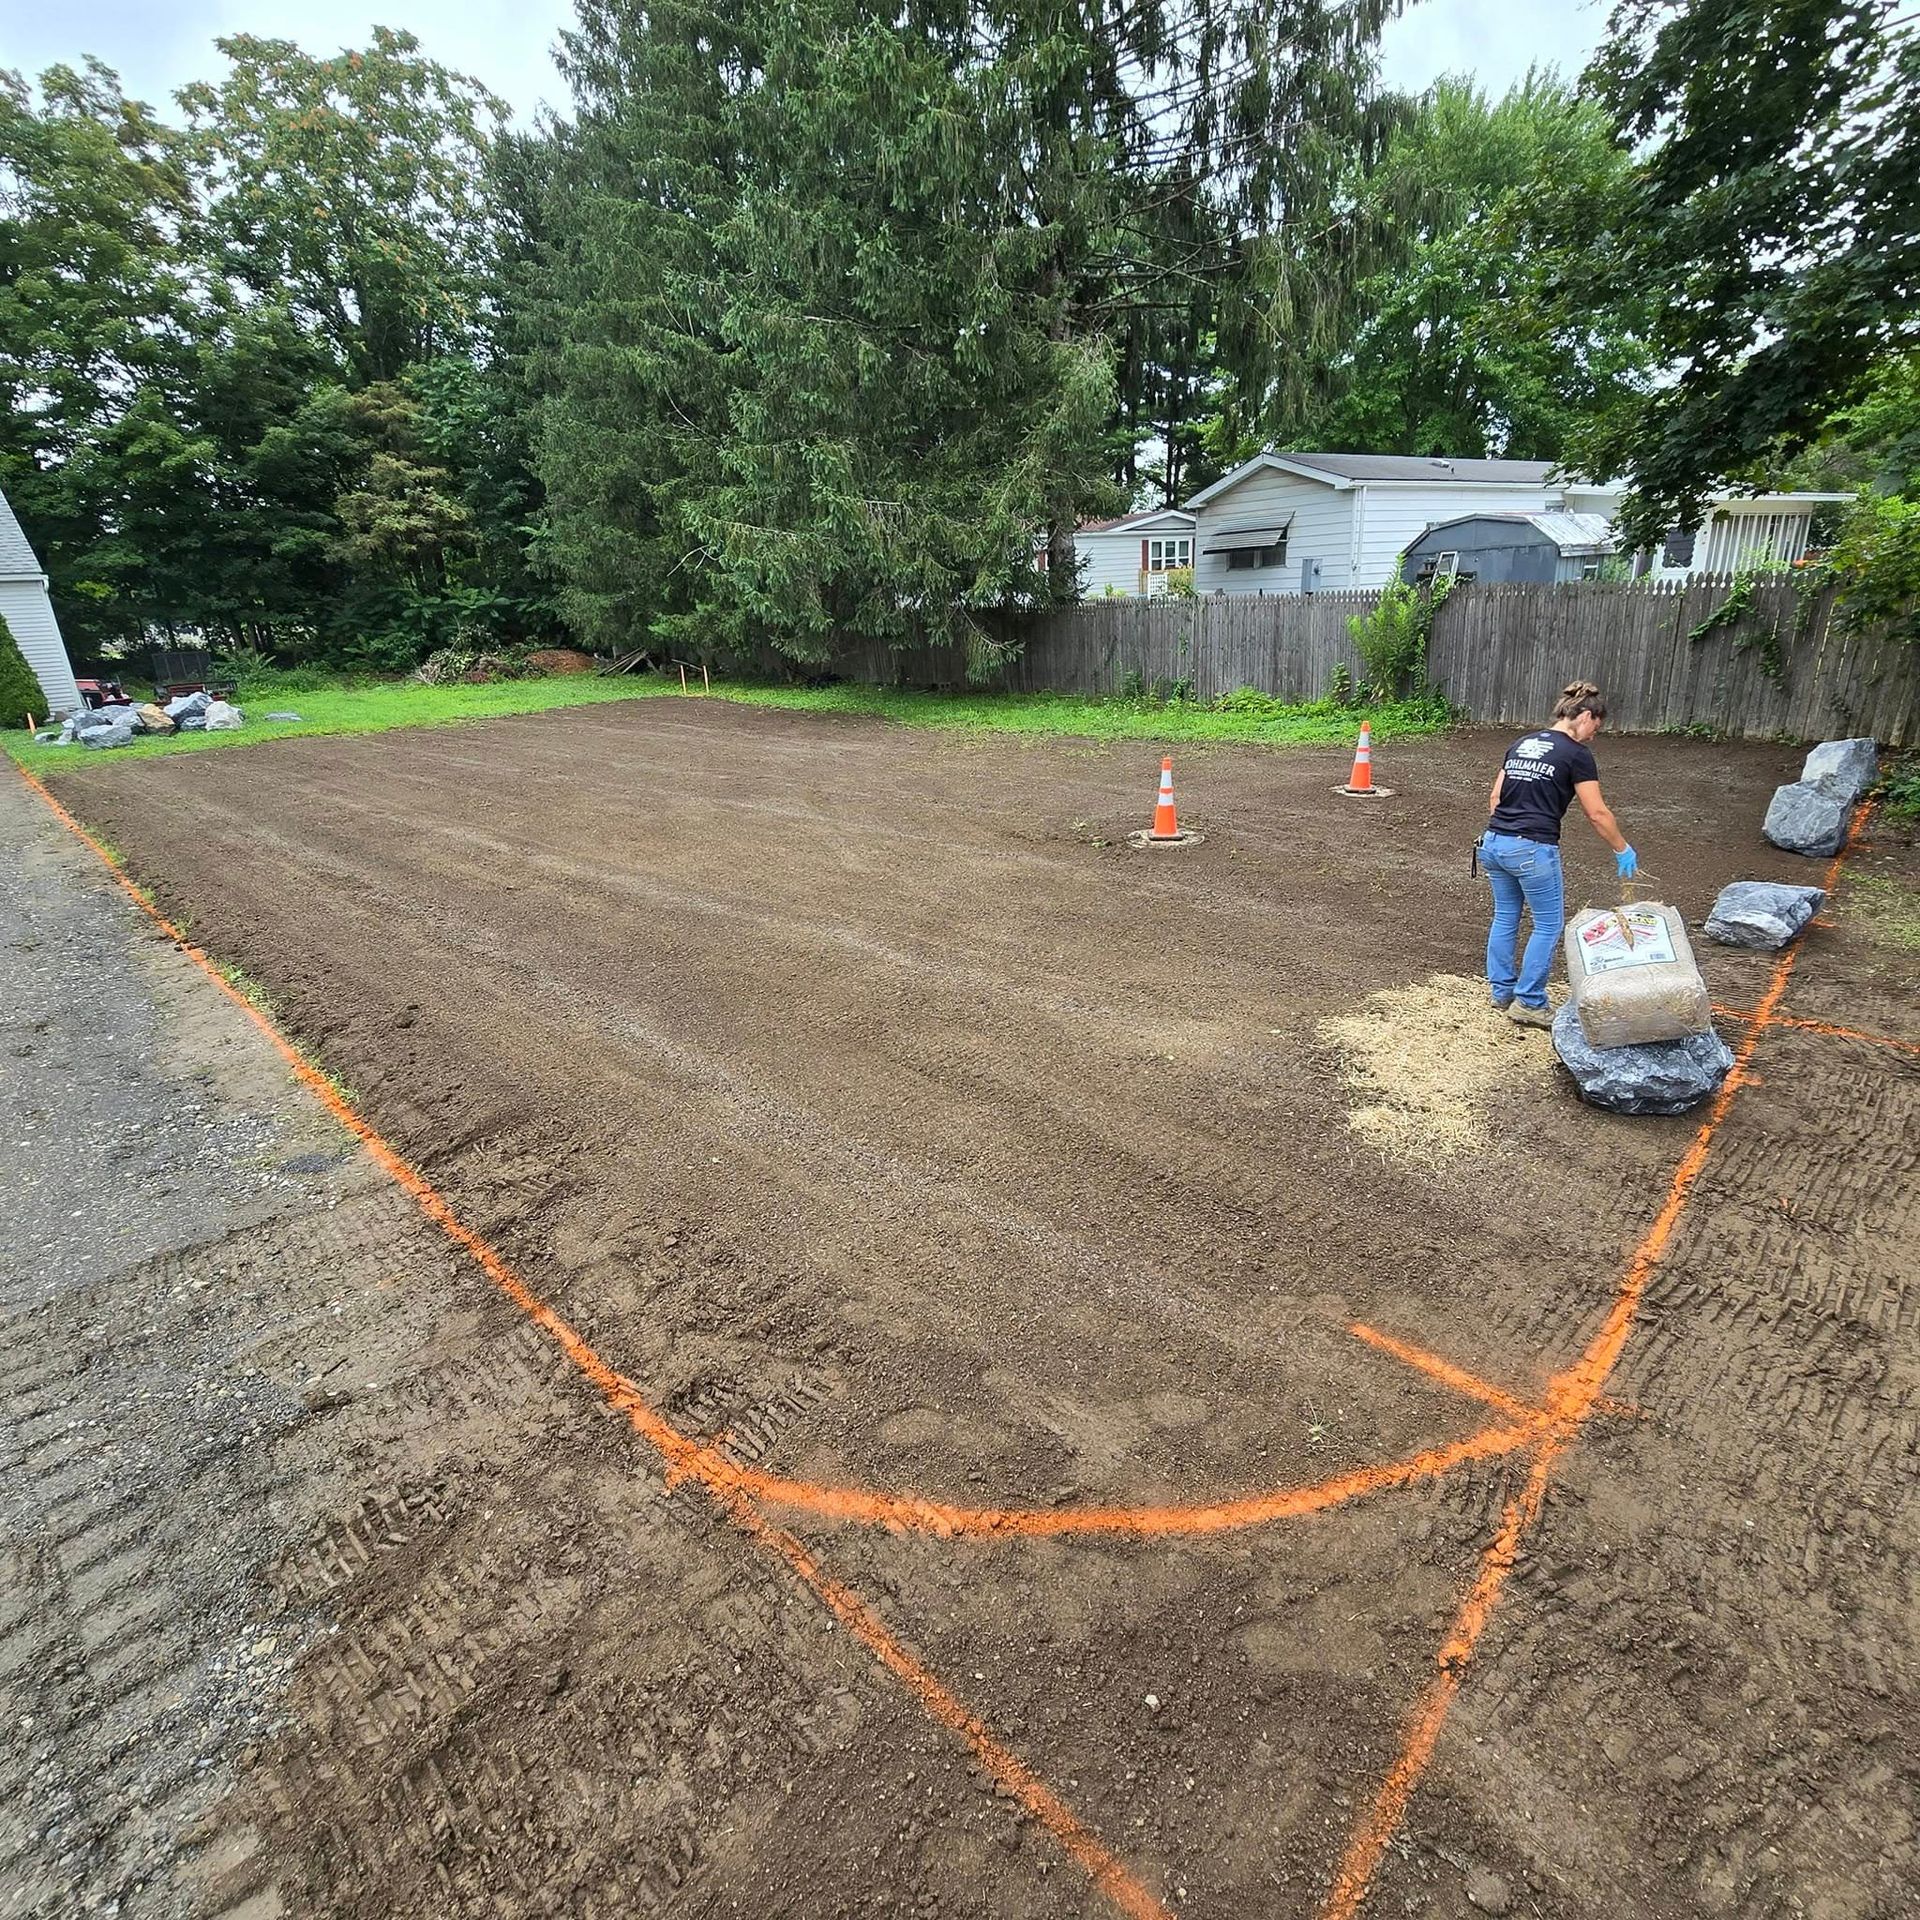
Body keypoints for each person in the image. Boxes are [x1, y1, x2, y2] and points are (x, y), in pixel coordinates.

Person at [1480, 681, 1637, 1029]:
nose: (1594, 737)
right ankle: (1530, 1002)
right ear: (1584, 715)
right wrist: (1622, 848)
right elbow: (1597, 814)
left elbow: (1495, 798)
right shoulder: (1576, 755)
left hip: (1494, 842)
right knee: (1548, 924)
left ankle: (1502, 991)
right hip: (1532, 848)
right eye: (1595, 728)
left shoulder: (1521, 744)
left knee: (1506, 916)